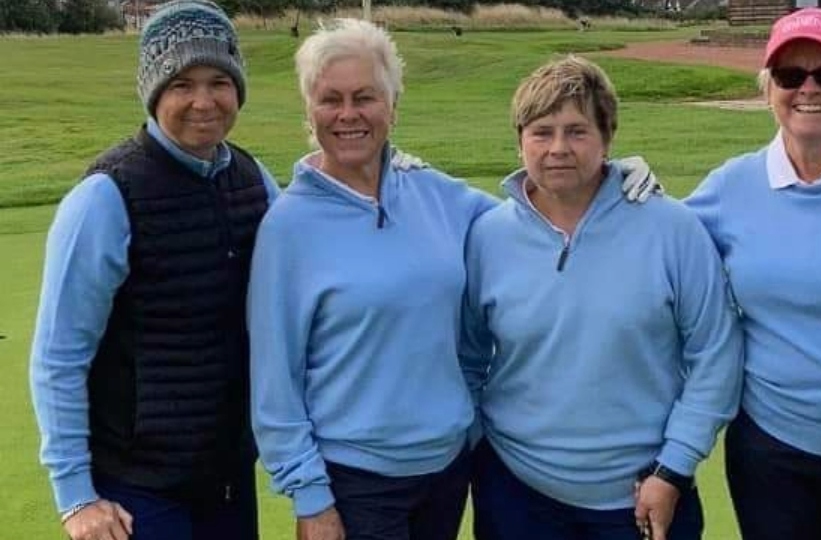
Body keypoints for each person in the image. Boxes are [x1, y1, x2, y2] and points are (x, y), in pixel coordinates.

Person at [246, 20, 661, 540]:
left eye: (365, 97)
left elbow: (540, 218)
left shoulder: (435, 195)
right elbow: (274, 383)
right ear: (310, 111)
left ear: (392, 106)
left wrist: (608, 175)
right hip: (355, 482)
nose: (348, 114)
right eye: (331, 99)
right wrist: (309, 497)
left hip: (446, 471)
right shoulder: (289, 226)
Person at [623, 8, 821, 540]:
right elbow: (664, 241)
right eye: (790, 75)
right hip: (771, 456)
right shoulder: (735, 184)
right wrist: (617, 184)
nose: (809, 89)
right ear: (767, 86)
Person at [459, 55, 744, 540]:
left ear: (607, 138)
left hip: (644, 492)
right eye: (541, 132)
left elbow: (716, 354)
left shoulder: (672, 229)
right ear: (520, 140)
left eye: (577, 131)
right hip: (516, 490)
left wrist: (674, 467)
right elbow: (468, 356)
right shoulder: (487, 236)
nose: (558, 148)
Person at [28, 2, 280, 539]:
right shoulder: (104, 196)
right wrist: (76, 497)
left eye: (219, 81)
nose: (203, 101)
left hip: (228, 479)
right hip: (136, 489)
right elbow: (59, 355)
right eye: (181, 83)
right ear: (153, 92)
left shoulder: (257, 181)